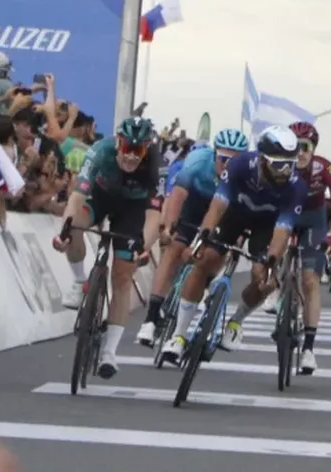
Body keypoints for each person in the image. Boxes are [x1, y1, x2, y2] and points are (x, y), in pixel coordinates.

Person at [159, 126, 308, 365]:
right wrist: (201, 238)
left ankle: (236, 321)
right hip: (233, 215)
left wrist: (270, 261)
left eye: (289, 165)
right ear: (261, 159)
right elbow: (217, 206)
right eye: (278, 165)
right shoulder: (239, 165)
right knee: (204, 260)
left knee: (265, 279)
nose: (284, 172)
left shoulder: (296, 187)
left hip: (267, 226)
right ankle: (179, 336)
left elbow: (282, 231)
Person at [53, 117, 162, 379]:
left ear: (147, 149)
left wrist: (143, 246)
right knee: (76, 222)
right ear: (118, 144)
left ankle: (109, 353)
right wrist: (66, 229)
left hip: (132, 211)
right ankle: (80, 282)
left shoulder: (155, 165)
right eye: (127, 148)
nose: (132, 157)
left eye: (139, 151)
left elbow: (154, 216)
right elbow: (77, 196)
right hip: (99, 199)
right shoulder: (100, 151)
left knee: (123, 276)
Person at [134, 128, 249, 347]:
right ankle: (150, 319)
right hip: (195, 203)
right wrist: (168, 227)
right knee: (174, 248)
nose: (227, 166)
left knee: (219, 249)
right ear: (214, 154)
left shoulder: (246, 176)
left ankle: (204, 283)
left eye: (233, 162)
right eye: (223, 159)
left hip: (223, 210)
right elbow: (177, 196)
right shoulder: (198, 161)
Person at [259, 121, 331, 376]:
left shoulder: (326, 167)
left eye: (306, 147)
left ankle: (308, 349)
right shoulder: (280, 165)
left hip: (314, 218)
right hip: (286, 213)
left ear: (314, 148)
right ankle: (274, 289)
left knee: (310, 281)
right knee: (275, 249)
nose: (302, 153)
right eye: (296, 147)